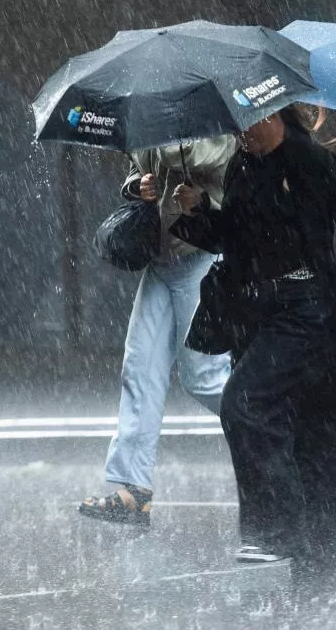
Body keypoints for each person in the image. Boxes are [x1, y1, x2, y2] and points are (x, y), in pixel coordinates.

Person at [171, 106, 336, 571]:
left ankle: (276, 529)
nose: (241, 133)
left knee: (246, 404)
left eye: (247, 122)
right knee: (309, 440)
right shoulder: (243, 164)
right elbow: (233, 239)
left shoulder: (313, 163)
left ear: (273, 114)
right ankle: (331, 551)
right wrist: (197, 213)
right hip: (261, 317)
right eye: (235, 124)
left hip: (310, 314)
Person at [78, 137, 234, 527]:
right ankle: (132, 489)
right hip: (161, 259)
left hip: (199, 255)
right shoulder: (156, 121)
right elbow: (138, 169)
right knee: (139, 370)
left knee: (205, 379)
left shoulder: (208, 115)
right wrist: (138, 185)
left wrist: (166, 142)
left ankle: (279, 433)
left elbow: (216, 159)